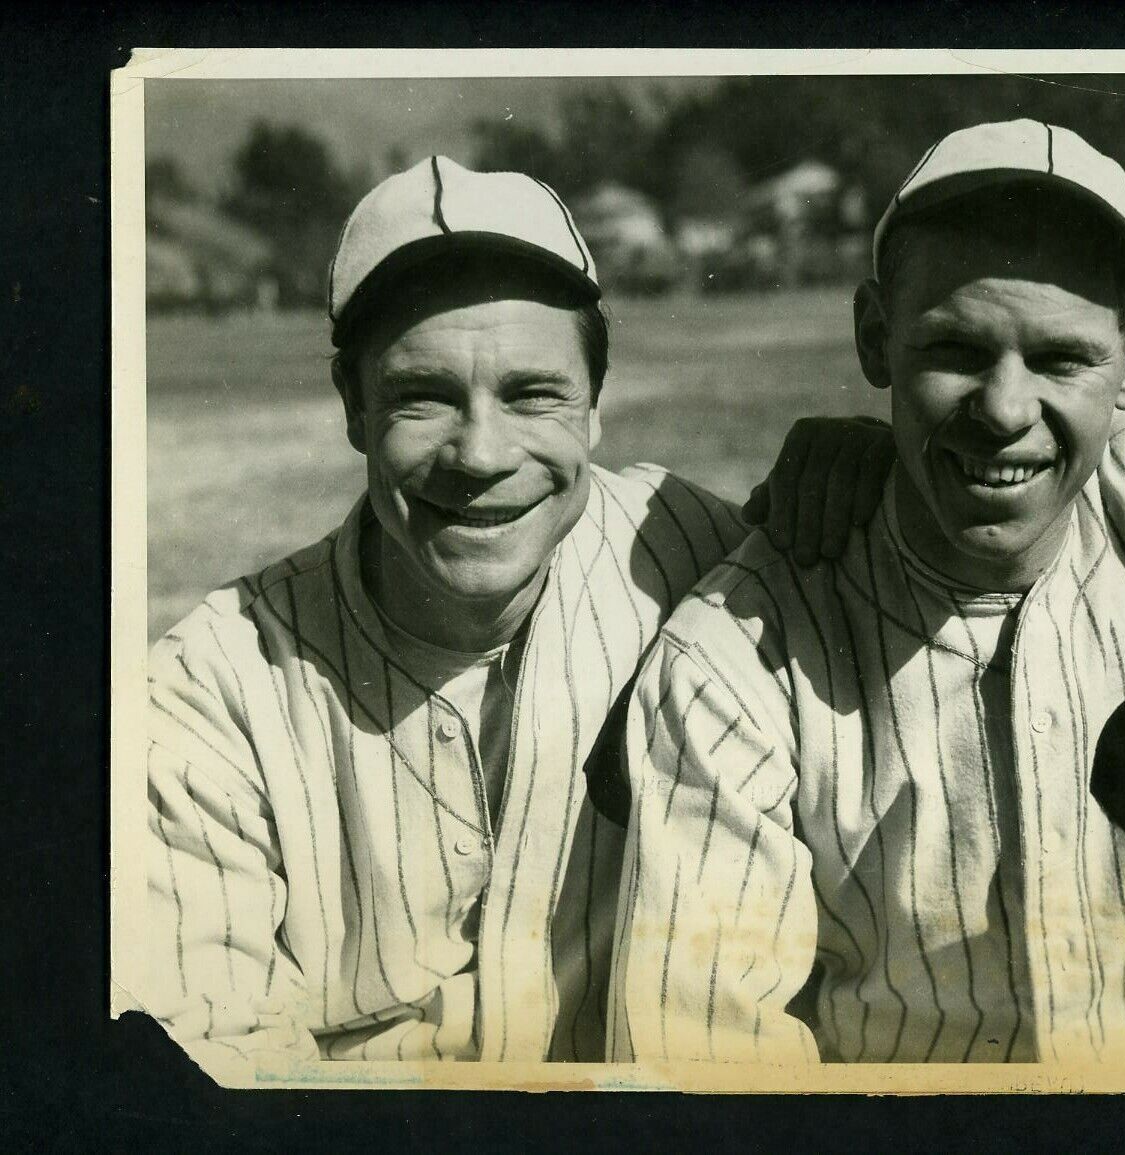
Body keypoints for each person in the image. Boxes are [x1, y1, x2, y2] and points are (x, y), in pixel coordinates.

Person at [610, 121, 1125, 1064]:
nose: (1002, 409)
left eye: (1061, 359)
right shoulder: (740, 640)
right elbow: (708, 1047)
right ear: (875, 337)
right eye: (954, 348)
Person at [135, 157, 893, 1068]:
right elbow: (212, 1072)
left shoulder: (697, 555)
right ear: (352, 406)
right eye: (423, 396)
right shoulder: (206, 695)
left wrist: (874, 467)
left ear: (596, 406)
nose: (482, 453)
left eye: (534, 393)